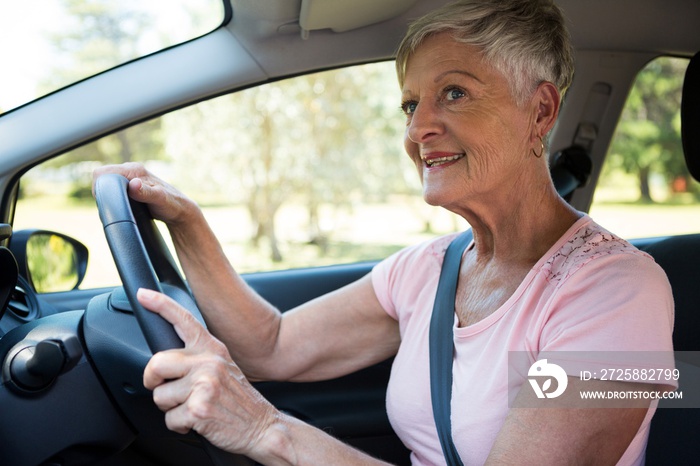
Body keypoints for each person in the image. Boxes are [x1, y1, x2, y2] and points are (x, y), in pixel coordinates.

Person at [93, 0, 676, 464]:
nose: (419, 127)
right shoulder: (426, 270)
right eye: (410, 104)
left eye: (455, 92)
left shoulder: (617, 294)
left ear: (541, 112)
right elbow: (271, 346)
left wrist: (267, 429)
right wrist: (187, 222)